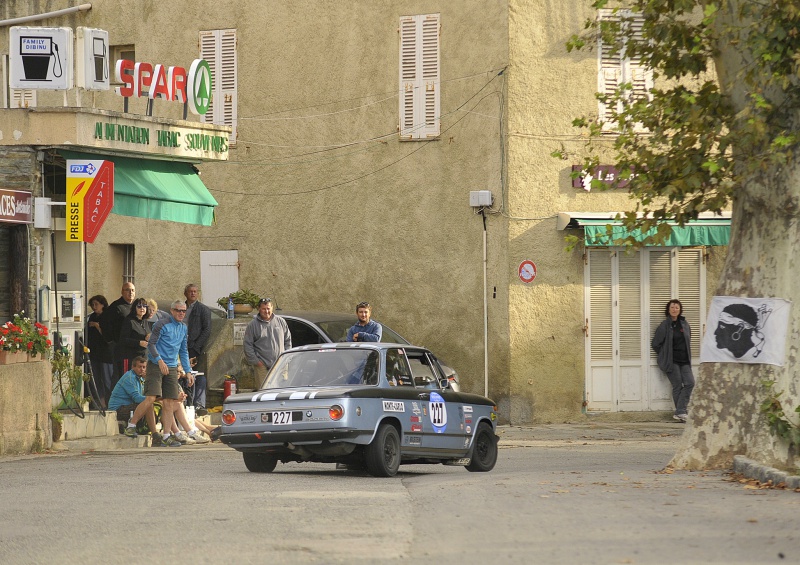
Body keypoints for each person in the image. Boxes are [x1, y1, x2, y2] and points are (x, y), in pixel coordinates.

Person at [134, 299, 206, 447]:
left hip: (173, 366)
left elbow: (183, 351)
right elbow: (152, 345)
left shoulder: (183, 327)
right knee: (151, 397)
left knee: (171, 401)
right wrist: (159, 361)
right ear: (172, 311)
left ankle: (167, 435)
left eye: (183, 311)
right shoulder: (161, 324)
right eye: (178, 310)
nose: (181, 313)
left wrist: (188, 371)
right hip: (156, 364)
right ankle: (132, 425)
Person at [651, 299, 695, 423]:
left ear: (680, 309)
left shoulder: (685, 324)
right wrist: (664, 354)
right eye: (672, 307)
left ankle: (680, 411)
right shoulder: (664, 325)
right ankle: (681, 412)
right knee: (677, 385)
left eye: (677, 307)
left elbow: (688, 339)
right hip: (672, 361)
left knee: (690, 383)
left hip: (684, 359)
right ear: (668, 310)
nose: (674, 309)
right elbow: (656, 344)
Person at [243, 297, 292, 383]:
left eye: (268, 308)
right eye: (263, 309)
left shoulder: (281, 322)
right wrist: (257, 362)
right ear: (259, 309)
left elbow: (288, 341)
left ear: (272, 308)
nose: (266, 311)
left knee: (281, 393)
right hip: (262, 368)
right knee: (264, 394)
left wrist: (286, 358)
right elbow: (247, 345)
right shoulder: (253, 325)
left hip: (281, 366)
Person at [110, 356, 159, 438]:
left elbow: (146, 395)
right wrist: (154, 398)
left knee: (161, 403)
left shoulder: (142, 378)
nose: (142, 369)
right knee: (148, 404)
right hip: (118, 409)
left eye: (144, 367)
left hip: (130, 406)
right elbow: (137, 398)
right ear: (133, 367)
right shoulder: (129, 377)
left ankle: (167, 432)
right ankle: (154, 434)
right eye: (140, 367)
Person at [182, 283, 212, 415]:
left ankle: (197, 404)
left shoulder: (203, 309)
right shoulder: (181, 308)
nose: (193, 293)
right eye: (190, 291)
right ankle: (186, 404)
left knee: (195, 375)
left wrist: (196, 346)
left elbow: (207, 330)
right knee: (183, 376)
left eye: (195, 291)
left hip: (193, 348)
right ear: (186, 293)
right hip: (180, 347)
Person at [101, 282, 136, 389]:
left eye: (132, 290)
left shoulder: (135, 307)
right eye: (127, 290)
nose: (130, 293)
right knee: (120, 375)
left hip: (132, 348)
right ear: (122, 292)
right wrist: (111, 340)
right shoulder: (116, 307)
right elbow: (104, 323)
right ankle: (116, 403)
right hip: (120, 349)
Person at [86, 295, 114, 408]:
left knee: (107, 379)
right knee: (96, 379)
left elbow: (108, 337)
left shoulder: (107, 316)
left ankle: (111, 402)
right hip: (94, 353)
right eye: (92, 305)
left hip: (105, 354)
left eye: (96, 304)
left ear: (102, 304)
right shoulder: (92, 316)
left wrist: (98, 326)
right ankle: (101, 403)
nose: (94, 307)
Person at [116, 298, 150, 378]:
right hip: (131, 358)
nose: (142, 308)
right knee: (129, 381)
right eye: (139, 306)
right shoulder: (129, 321)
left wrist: (148, 336)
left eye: (144, 306)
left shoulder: (144, 321)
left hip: (143, 358)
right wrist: (139, 343)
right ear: (134, 308)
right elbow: (123, 340)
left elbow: (144, 334)